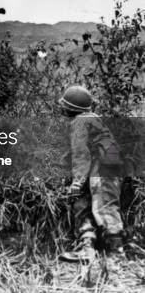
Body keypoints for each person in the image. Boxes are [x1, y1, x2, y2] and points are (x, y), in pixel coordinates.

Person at [58, 86, 125, 262]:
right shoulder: (90, 119)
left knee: (105, 206)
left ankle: (116, 253)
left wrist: (76, 183)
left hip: (104, 168)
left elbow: (81, 155)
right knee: (83, 201)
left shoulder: (80, 121)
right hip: (103, 166)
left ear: (70, 108)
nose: (61, 108)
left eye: (64, 105)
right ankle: (87, 248)